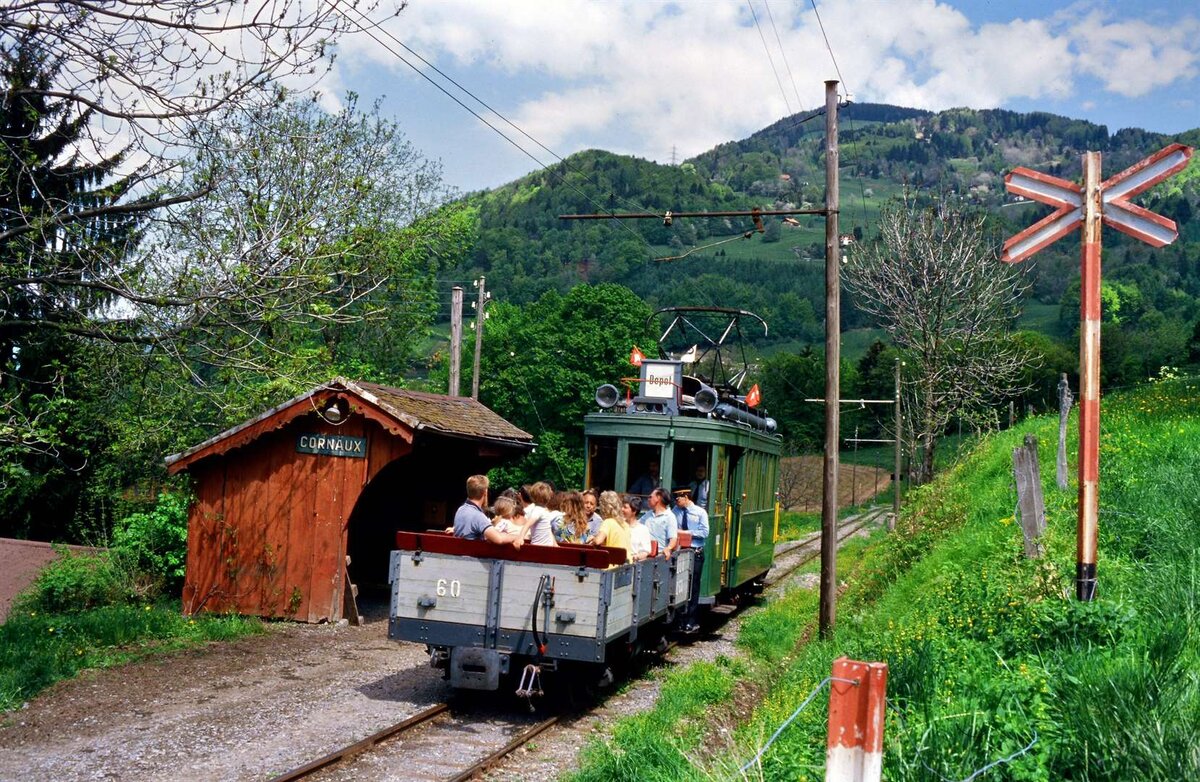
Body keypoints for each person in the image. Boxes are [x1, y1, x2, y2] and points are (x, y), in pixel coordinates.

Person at [673, 486, 709, 633]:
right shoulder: (675, 512)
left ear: (686, 497)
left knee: (693, 587)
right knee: (680, 586)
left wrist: (686, 533)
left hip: (695, 552)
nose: (676, 501)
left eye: (678, 498)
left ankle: (691, 620)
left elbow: (705, 532)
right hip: (681, 551)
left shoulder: (700, 512)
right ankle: (679, 619)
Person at [453, 475, 523, 547]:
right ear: (485, 492)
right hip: (472, 556)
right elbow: (499, 539)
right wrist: (517, 537)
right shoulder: (478, 516)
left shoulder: (461, 509)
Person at [591, 490, 631, 563]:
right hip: (626, 564)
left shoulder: (608, 522)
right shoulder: (625, 524)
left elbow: (598, 541)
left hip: (612, 565)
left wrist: (592, 540)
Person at [644, 487, 679, 559]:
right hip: (645, 554)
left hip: (659, 557)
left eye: (650, 497)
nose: (648, 499)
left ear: (658, 498)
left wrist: (668, 548)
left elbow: (673, 539)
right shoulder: (648, 514)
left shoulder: (670, 517)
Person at [519, 481, 558, 546]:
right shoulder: (538, 510)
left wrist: (555, 544)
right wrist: (520, 538)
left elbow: (548, 530)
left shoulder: (543, 510)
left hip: (546, 547)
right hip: (540, 547)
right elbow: (527, 524)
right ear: (549, 497)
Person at [622, 495, 653, 562]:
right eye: (622, 507)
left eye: (625, 507)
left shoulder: (642, 529)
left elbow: (646, 551)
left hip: (633, 565)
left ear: (634, 511)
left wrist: (636, 557)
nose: (622, 509)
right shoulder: (619, 525)